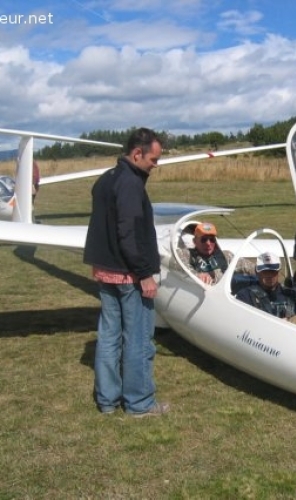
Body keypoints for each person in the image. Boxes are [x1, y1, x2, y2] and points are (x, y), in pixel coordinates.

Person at [83, 127, 169, 417]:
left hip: (105, 272)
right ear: (137, 154)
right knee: (139, 338)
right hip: (130, 276)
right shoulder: (131, 184)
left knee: (108, 336)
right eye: (153, 160)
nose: (155, 166)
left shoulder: (106, 179)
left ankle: (107, 400)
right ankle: (140, 403)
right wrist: (144, 273)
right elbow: (128, 234)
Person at [177, 221, 254, 285]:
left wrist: (262, 271)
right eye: (203, 240)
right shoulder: (185, 254)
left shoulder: (226, 256)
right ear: (195, 241)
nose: (208, 243)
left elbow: (249, 267)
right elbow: (177, 265)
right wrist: (197, 276)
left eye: (212, 239)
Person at [236, 252, 296, 320]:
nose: (269, 275)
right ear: (257, 272)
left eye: (272, 271)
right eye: (265, 272)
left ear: (278, 271)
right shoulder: (245, 296)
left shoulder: (291, 295)